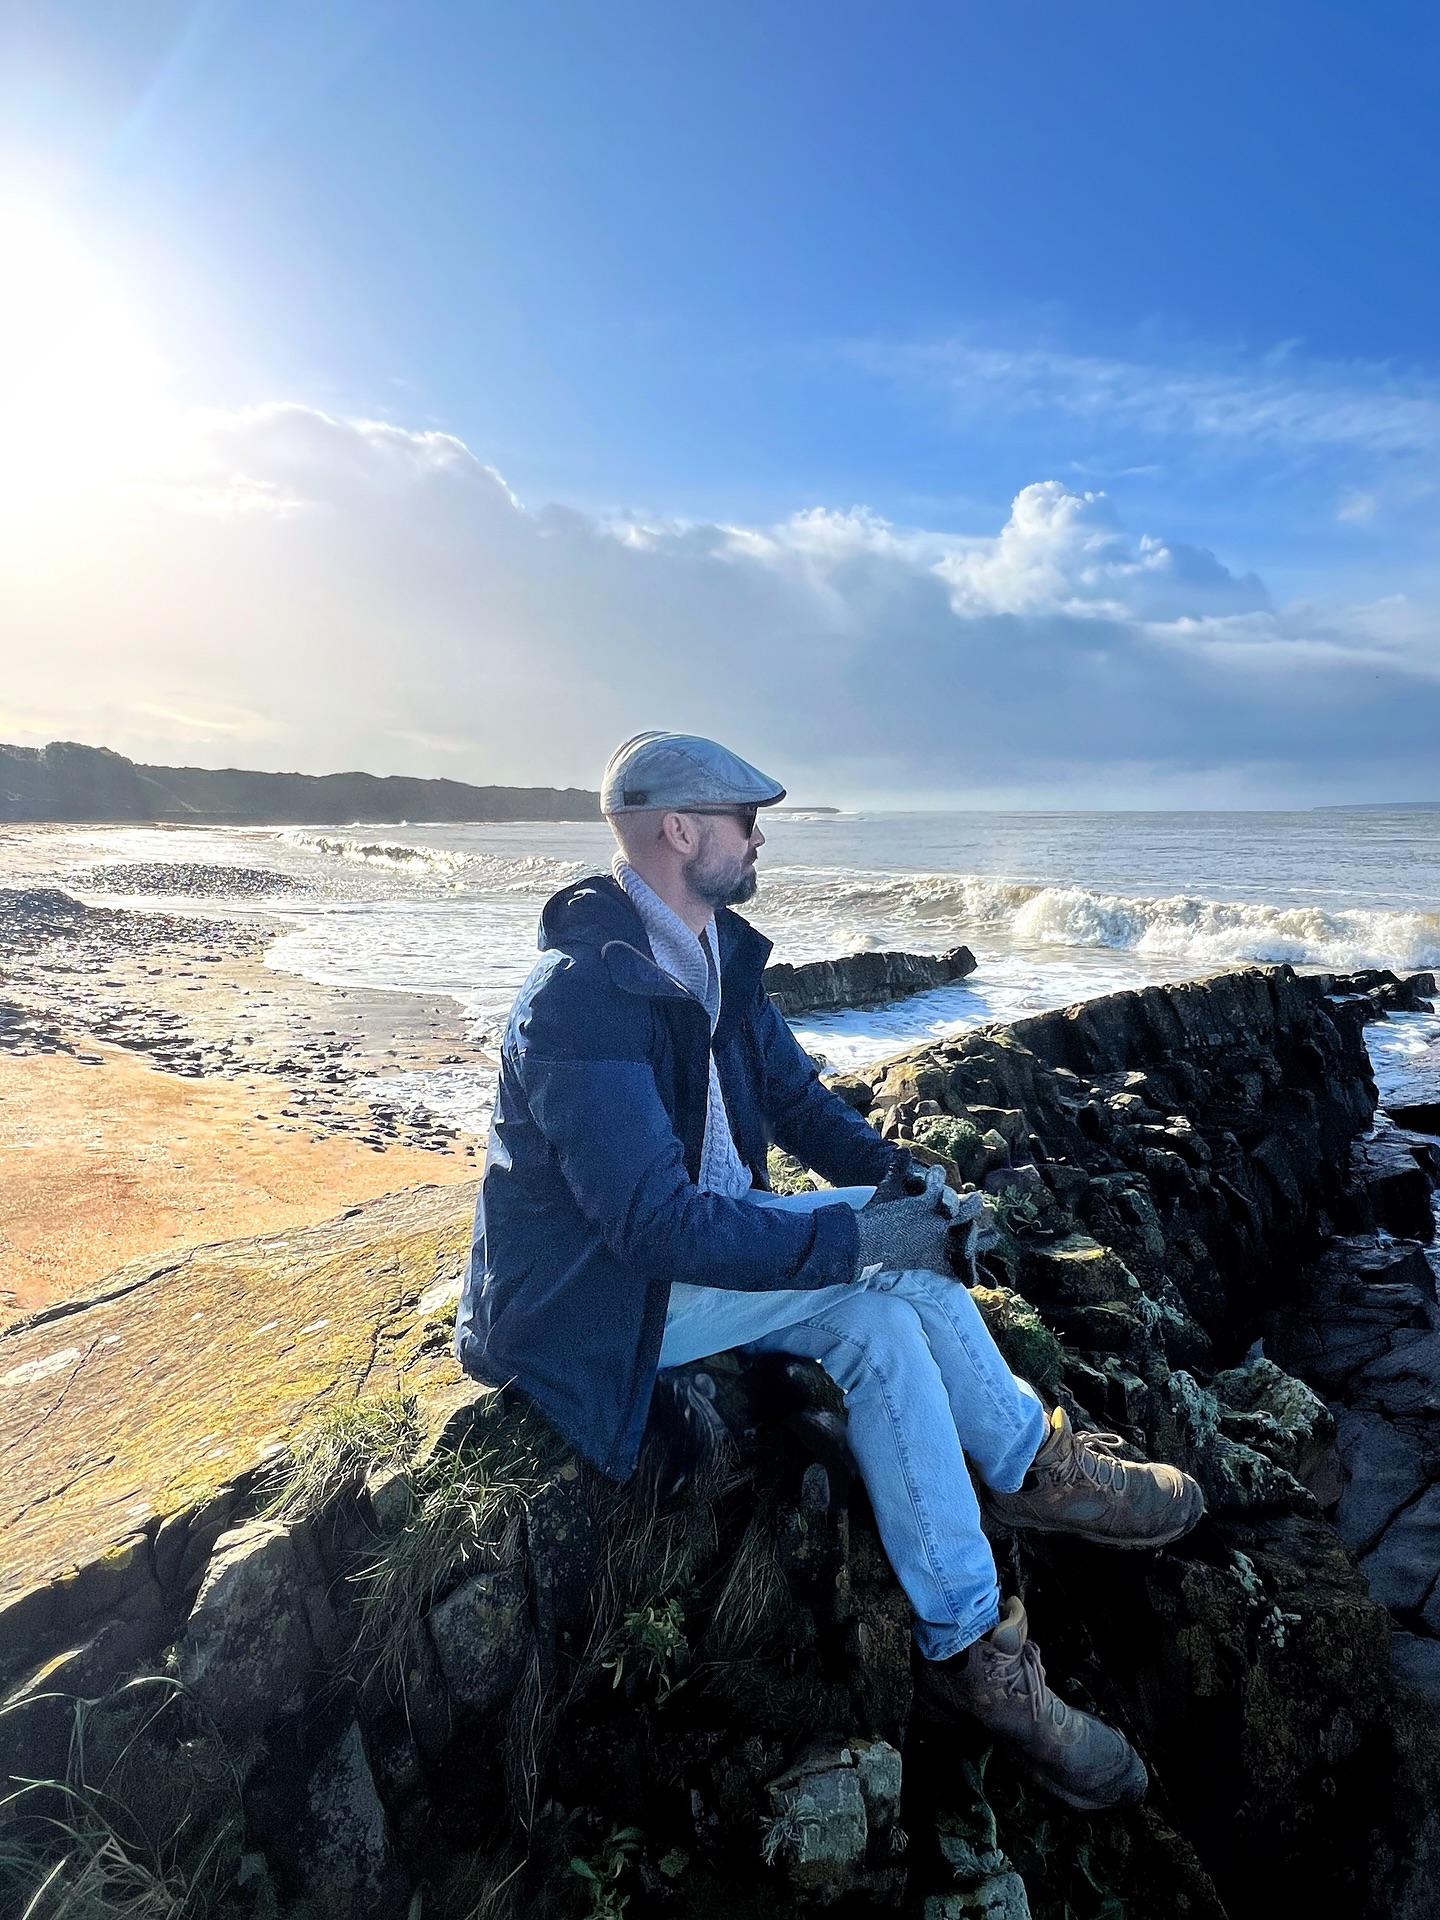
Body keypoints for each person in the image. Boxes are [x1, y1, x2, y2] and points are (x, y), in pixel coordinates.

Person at [456, 730, 1204, 1812]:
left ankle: (973, 1652)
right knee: (878, 1269)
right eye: (742, 818)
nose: (760, 835)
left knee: (891, 1321)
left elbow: (803, 1107)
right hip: (601, 1300)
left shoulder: (717, 949)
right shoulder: (580, 997)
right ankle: (1031, 1469)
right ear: (679, 830)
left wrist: (904, 1179)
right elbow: (652, 1228)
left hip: (703, 1240)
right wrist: (859, 1241)